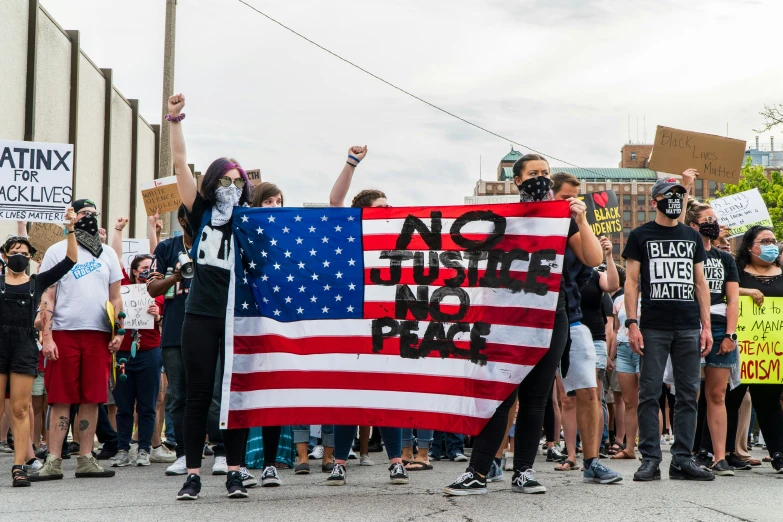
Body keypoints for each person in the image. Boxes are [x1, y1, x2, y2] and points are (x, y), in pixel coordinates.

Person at [443, 154, 603, 495]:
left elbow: (593, 259)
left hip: (552, 314)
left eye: (545, 173)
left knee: (536, 398)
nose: (541, 178)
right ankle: (478, 471)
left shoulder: (562, 218)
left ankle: (525, 471)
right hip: (509, 315)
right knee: (502, 395)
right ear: (517, 181)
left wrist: (582, 220)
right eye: (534, 174)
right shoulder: (503, 218)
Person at [168, 93, 251, 500]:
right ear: (212, 183)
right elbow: (181, 164)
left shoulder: (253, 221)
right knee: (198, 392)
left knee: (234, 394)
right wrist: (174, 119)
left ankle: (235, 471)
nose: (231, 188)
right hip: (200, 312)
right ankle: (193, 472)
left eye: (238, 182)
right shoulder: (201, 213)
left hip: (238, 316)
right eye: (224, 180)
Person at [623, 177, 715, 482]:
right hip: (653, 327)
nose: (674, 199)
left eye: (680, 194)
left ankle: (682, 459)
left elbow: (700, 282)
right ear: (655, 201)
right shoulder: (640, 235)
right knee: (649, 393)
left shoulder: (691, 236)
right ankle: (650, 458)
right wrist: (632, 323)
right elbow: (631, 282)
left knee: (688, 394)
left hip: (689, 326)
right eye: (668, 194)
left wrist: (706, 327)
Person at [326, 145, 408, 487]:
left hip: (387, 325)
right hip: (354, 324)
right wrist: (351, 164)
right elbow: (334, 203)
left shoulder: (400, 240)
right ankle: (339, 462)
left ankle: (396, 462)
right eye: (380, 207)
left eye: (390, 207)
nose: (387, 211)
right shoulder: (351, 234)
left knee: (388, 395)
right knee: (351, 395)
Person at [30, 199, 125, 482]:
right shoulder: (58, 251)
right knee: (60, 397)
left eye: (94, 214)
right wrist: (46, 337)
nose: (90, 219)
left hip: (97, 335)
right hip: (64, 333)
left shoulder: (107, 253)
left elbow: (116, 297)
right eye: (85, 214)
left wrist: (119, 331)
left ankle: (86, 458)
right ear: (72, 217)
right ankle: (54, 460)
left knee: (92, 398)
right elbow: (48, 295)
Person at [549, 173, 621, 482]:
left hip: (572, 317)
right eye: (566, 198)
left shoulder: (575, 228)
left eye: (577, 198)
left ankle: (591, 462)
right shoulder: (528, 222)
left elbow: (593, 259)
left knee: (588, 391)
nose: (572, 203)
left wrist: (581, 220)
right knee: (514, 393)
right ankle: (495, 461)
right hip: (528, 317)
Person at [0, 209, 78, 486]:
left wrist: (70, 229)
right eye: (14, 250)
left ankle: (19, 466)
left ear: (31, 257)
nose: (19, 254)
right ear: (5, 255)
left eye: (24, 250)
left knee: (21, 409)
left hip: (23, 346)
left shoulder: (38, 281)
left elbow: (70, 260)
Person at [684, 200, 739, 476]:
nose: (715, 223)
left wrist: (730, 334)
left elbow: (733, 300)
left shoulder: (725, 258)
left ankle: (720, 457)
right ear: (693, 225)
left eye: (715, 219)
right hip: (689, 326)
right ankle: (688, 454)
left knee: (716, 394)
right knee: (689, 394)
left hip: (719, 330)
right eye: (709, 218)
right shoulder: (685, 254)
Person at [108, 216, 167, 468]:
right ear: (133, 272)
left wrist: (154, 230)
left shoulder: (158, 290)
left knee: (147, 405)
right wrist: (118, 231)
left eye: (149, 269)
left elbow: (157, 257)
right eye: (142, 269)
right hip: (122, 354)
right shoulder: (125, 287)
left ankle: (144, 449)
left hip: (150, 352)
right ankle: (122, 449)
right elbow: (116, 259)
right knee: (123, 406)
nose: (146, 272)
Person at [724, 226, 783, 472]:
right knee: (730, 399)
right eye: (764, 240)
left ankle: (779, 453)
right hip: (740, 348)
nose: (771, 244)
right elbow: (721, 292)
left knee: (768, 402)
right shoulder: (736, 271)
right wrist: (746, 290)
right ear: (750, 246)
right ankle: (724, 452)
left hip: (772, 352)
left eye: (773, 240)